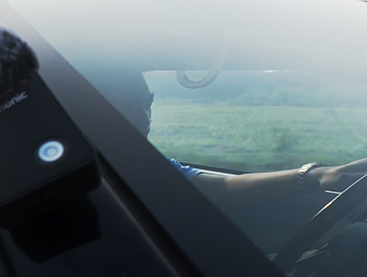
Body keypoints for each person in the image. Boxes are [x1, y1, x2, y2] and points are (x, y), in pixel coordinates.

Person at [103, 72, 367, 206]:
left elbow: (224, 187)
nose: (143, 118)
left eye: (147, 104)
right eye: (123, 106)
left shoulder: (143, 163)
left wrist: (318, 175)